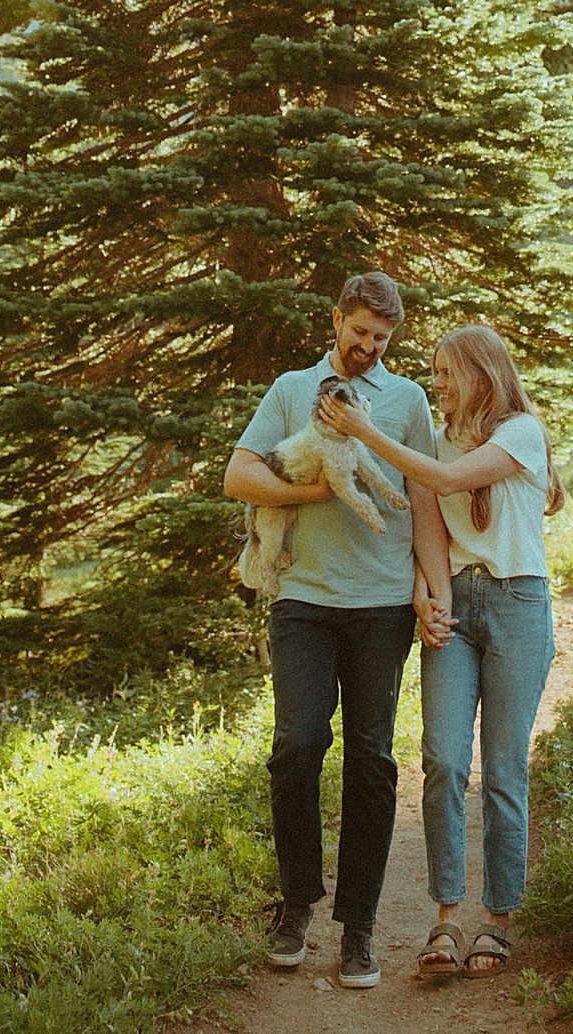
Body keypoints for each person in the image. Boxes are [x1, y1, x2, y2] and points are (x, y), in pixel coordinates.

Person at [224, 271, 450, 992]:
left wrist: (426, 590)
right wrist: (312, 493)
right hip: (304, 600)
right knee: (297, 744)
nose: (368, 348)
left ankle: (359, 927)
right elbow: (238, 475)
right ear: (336, 322)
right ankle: (295, 907)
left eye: (381, 339)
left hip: (381, 605)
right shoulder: (293, 388)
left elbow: (421, 500)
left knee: (372, 758)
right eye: (359, 334)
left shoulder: (408, 400)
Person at [318, 323, 563, 979]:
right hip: (457, 600)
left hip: (517, 605)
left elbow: (449, 483)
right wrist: (427, 594)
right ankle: (448, 919)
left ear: (480, 375)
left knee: (504, 771)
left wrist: (366, 431)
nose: (438, 385)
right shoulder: (440, 438)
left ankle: (500, 920)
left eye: (447, 373)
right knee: (443, 760)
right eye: (435, 373)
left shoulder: (520, 434)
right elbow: (427, 517)